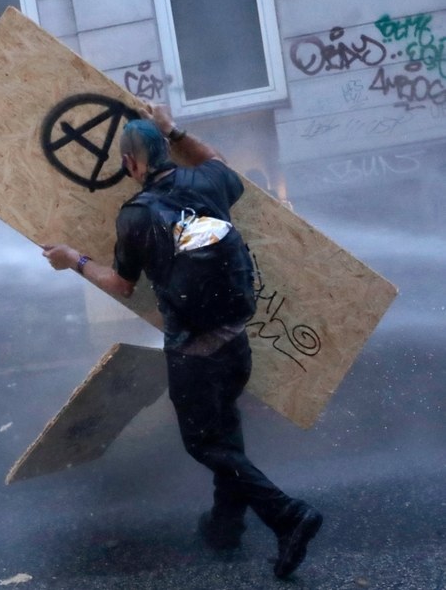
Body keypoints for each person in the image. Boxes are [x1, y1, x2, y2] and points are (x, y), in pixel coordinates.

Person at [41, 106, 323, 579]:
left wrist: (74, 259)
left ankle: (287, 515)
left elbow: (120, 284)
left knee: (202, 443)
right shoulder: (208, 181)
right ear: (163, 150)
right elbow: (213, 157)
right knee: (224, 434)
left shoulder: (135, 216)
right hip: (236, 342)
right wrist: (173, 129)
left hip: (194, 352)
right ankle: (225, 527)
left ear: (131, 164)